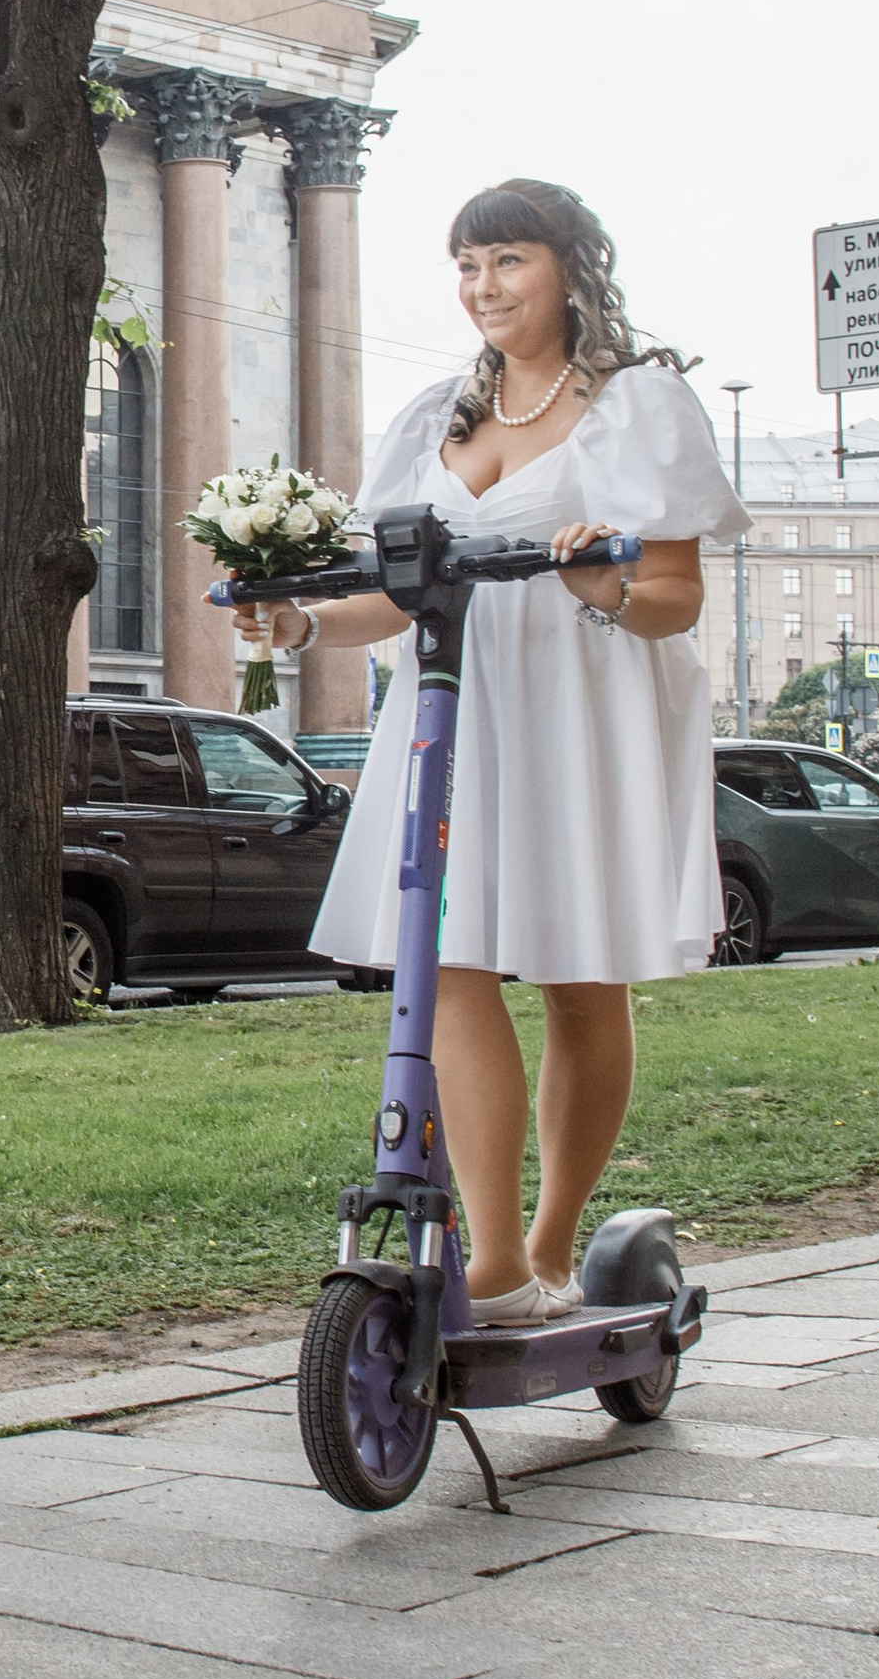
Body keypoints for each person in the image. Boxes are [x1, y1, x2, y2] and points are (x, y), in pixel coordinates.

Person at [260, 177, 749, 1325]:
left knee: (579, 971)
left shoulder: (636, 403)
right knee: (448, 961)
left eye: (508, 259)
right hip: (450, 702)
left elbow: (674, 595)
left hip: (576, 702)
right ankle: (493, 1256)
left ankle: (551, 1243)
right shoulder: (438, 413)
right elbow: (393, 596)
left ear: (570, 266)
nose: (484, 286)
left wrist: (600, 585)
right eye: (468, 265)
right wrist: (300, 625)